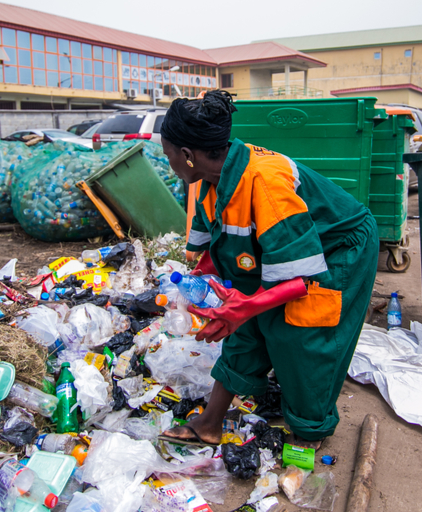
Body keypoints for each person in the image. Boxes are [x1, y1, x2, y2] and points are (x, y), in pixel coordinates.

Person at [158, 90, 378, 449]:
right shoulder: (211, 185)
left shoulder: (264, 183)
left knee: (300, 334)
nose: (169, 163)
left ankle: (310, 431)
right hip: (285, 250)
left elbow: (299, 280)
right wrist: (200, 281)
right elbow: (219, 247)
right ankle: (210, 423)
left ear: (187, 155)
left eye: (168, 155)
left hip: (338, 247)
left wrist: (245, 307)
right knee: (245, 324)